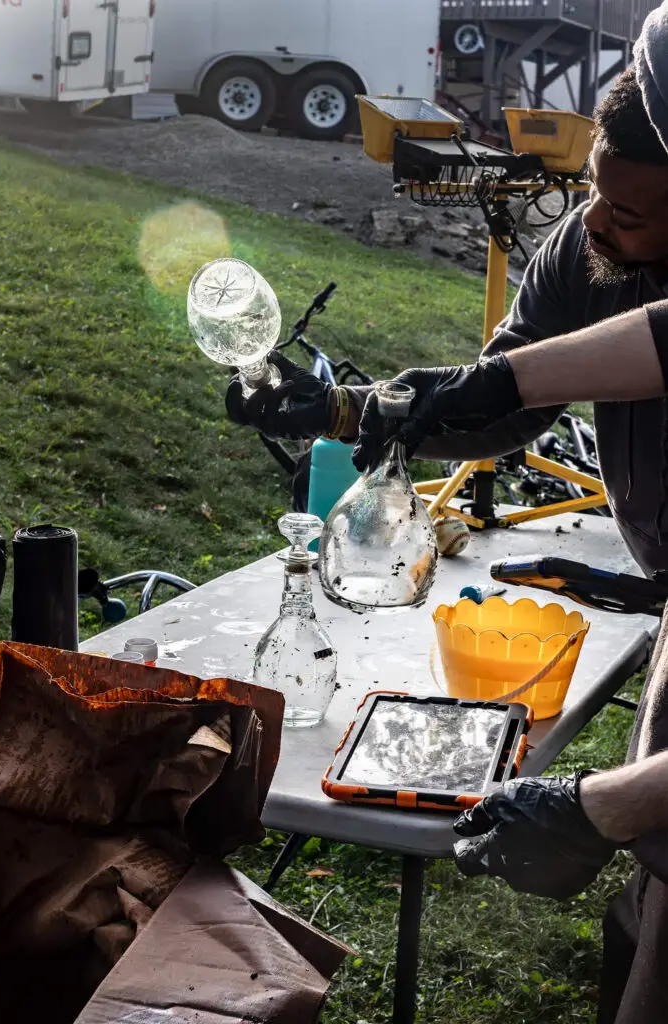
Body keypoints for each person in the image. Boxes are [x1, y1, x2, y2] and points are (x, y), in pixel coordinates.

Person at [226, 5, 668, 1019]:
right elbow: (493, 396)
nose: (593, 224)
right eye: (591, 192)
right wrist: (350, 406)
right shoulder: (590, 240)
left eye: (631, 217)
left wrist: (596, 805)